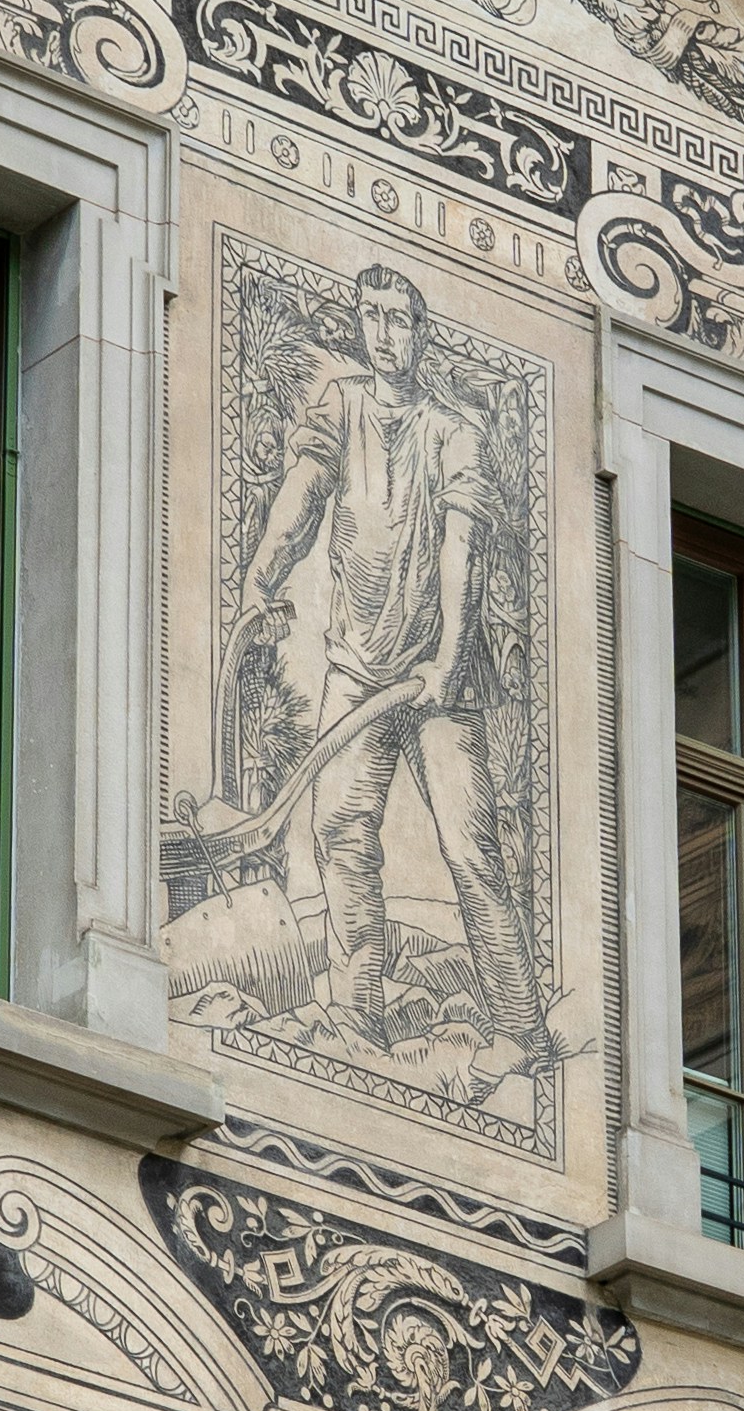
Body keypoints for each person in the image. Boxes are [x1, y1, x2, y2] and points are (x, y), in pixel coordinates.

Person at [226, 261, 548, 1077]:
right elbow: (302, 494)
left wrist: (446, 657)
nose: (384, 332)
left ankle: (521, 1027)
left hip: (440, 685)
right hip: (355, 670)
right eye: (371, 316)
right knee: (340, 830)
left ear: (420, 331)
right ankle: (357, 1012)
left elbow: (460, 550)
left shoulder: (453, 431)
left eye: (399, 318)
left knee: (471, 849)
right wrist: (260, 582)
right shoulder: (341, 406)